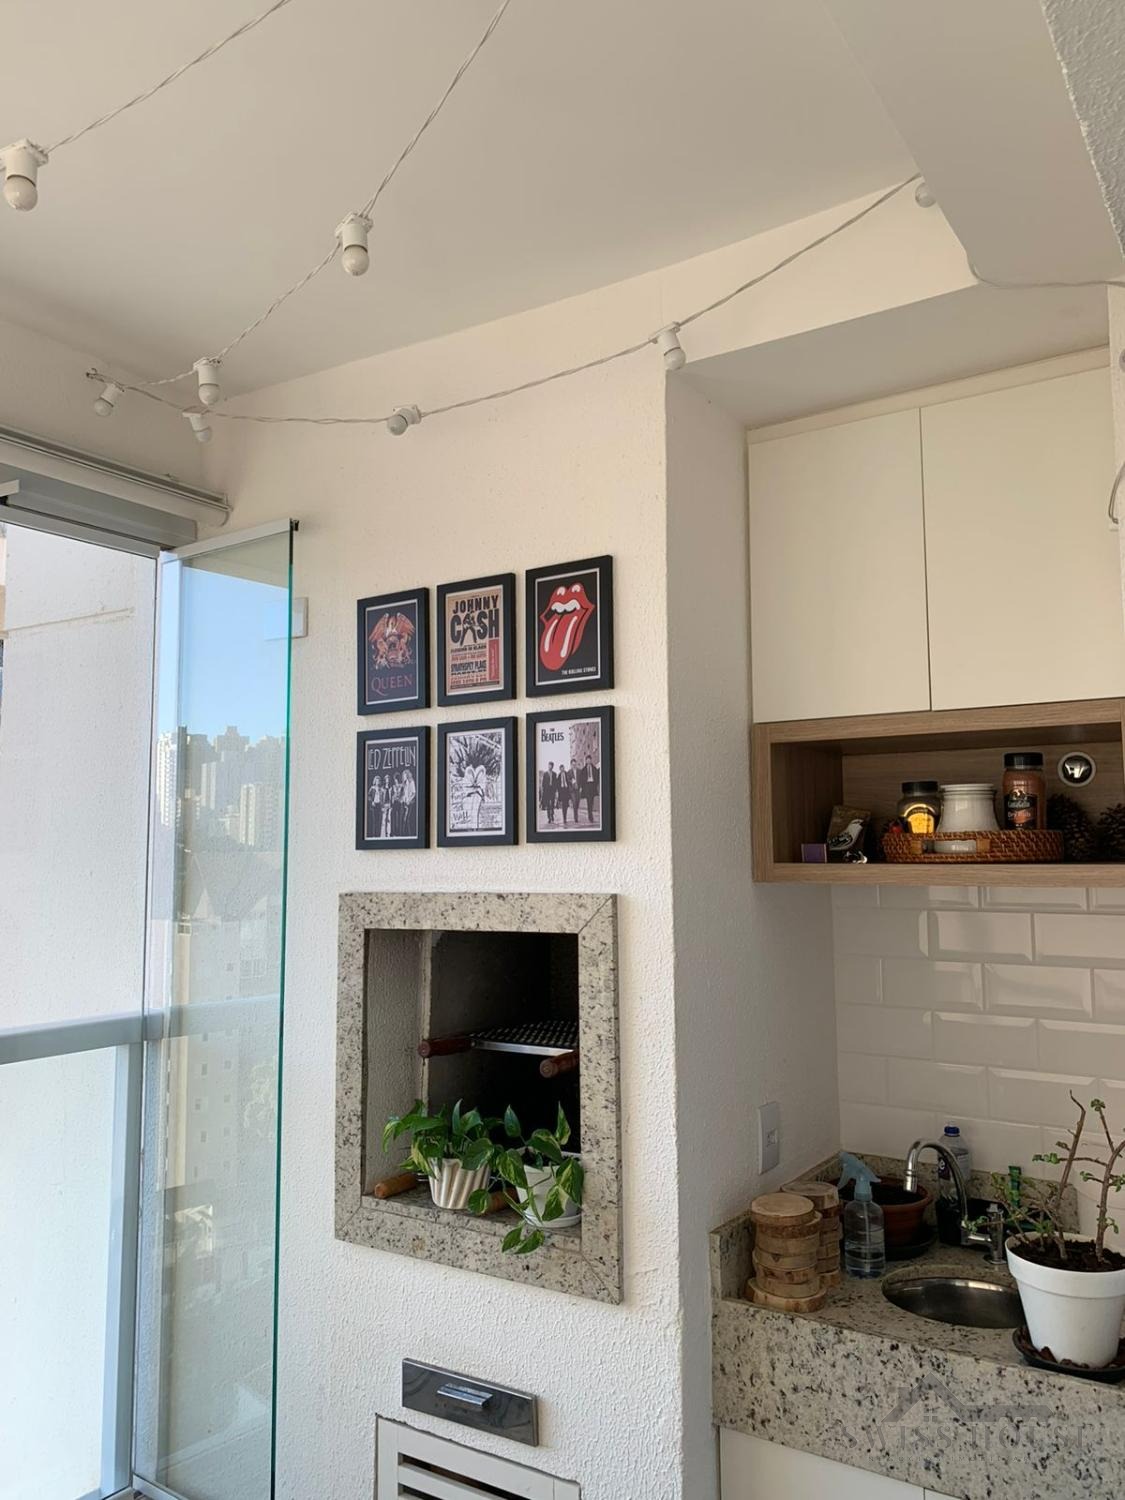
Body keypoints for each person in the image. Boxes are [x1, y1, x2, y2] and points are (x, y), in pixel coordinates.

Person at [578, 755, 599, 826]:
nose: (588, 761)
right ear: (586, 761)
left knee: (592, 800)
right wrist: (581, 787)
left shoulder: (594, 768)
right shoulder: (583, 770)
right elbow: (581, 779)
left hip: (592, 785)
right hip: (586, 786)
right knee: (588, 800)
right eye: (587, 759)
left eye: (589, 759)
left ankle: (590, 813)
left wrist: (595, 784)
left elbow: (597, 777)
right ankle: (590, 816)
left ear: (591, 760)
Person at [540, 760, 558, 825]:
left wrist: (555, 791)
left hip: (552, 790)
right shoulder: (545, 774)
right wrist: (543, 791)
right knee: (548, 804)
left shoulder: (554, 774)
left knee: (552, 804)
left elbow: (555, 783)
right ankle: (549, 818)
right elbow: (543, 783)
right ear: (548, 766)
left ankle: (552, 815)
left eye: (551, 765)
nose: (550, 767)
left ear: (553, 766)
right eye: (549, 765)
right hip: (547, 791)